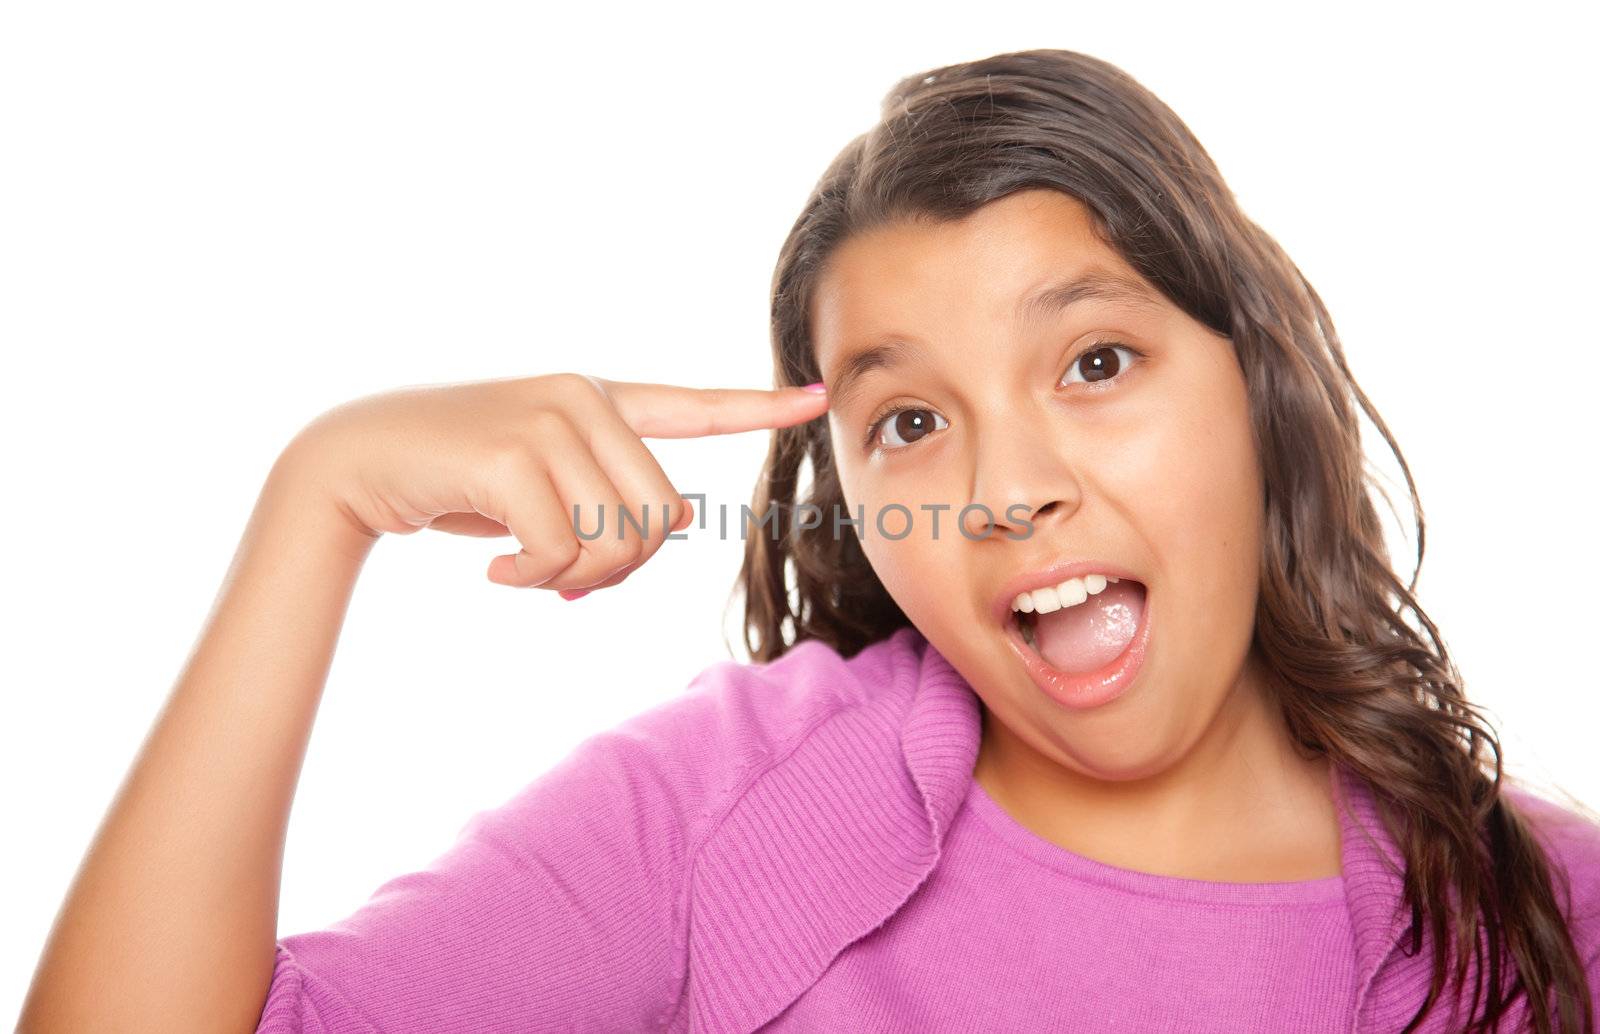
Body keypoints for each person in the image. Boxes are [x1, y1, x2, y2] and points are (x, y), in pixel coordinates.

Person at [20, 48, 1599, 1034]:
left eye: (1096, 363)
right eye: (910, 420)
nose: (1007, 486)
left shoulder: (1550, 908)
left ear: (1257, 384)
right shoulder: (729, 809)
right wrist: (322, 499)